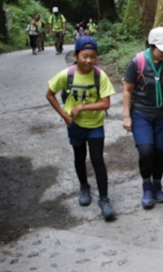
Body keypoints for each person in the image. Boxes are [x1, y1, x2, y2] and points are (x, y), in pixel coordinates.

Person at [45, 36, 117, 221]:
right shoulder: (67, 75)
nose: (89, 60)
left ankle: (104, 199)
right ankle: (84, 187)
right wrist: (65, 116)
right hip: (75, 125)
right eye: (85, 56)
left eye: (93, 56)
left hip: (95, 125)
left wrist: (82, 107)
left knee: (97, 159)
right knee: (79, 156)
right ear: (76, 55)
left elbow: (106, 104)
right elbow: (50, 94)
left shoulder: (99, 75)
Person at [122, 27, 163, 210]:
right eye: (162, 48)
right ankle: (146, 186)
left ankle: (157, 185)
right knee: (146, 151)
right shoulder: (138, 62)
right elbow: (127, 90)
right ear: (152, 45)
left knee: (159, 152)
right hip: (141, 114)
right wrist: (126, 116)